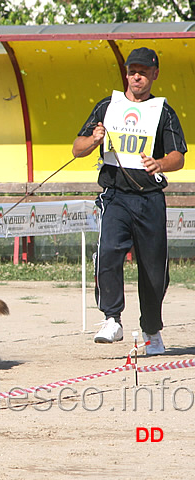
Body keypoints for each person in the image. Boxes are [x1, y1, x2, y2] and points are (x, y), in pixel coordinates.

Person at [72, 47, 187, 355]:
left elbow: (179, 156)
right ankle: (111, 318)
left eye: (143, 71)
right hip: (115, 196)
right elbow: (77, 148)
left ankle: (151, 329)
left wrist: (160, 163)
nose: (137, 76)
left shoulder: (163, 111)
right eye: (132, 70)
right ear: (125, 73)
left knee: (153, 270)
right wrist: (94, 140)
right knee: (108, 251)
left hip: (150, 198)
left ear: (154, 74)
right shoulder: (108, 106)